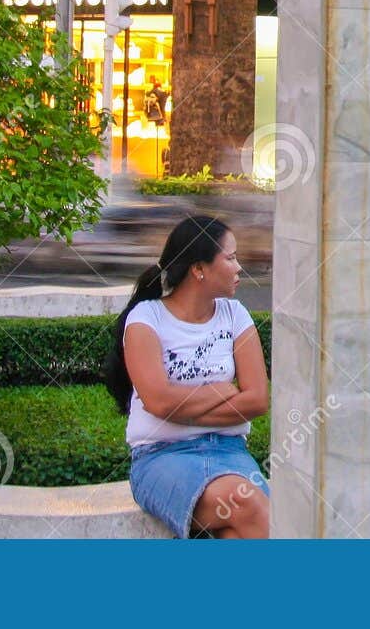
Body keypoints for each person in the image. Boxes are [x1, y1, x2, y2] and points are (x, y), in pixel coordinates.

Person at [104, 216, 270, 538]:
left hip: (230, 452)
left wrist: (181, 410)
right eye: (231, 258)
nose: (239, 267)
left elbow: (257, 400)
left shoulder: (235, 315)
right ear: (199, 269)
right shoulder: (146, 319)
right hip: (162, 458)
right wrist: (222, 391)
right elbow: (158, 401)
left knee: (236, 533)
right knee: (249, 504)